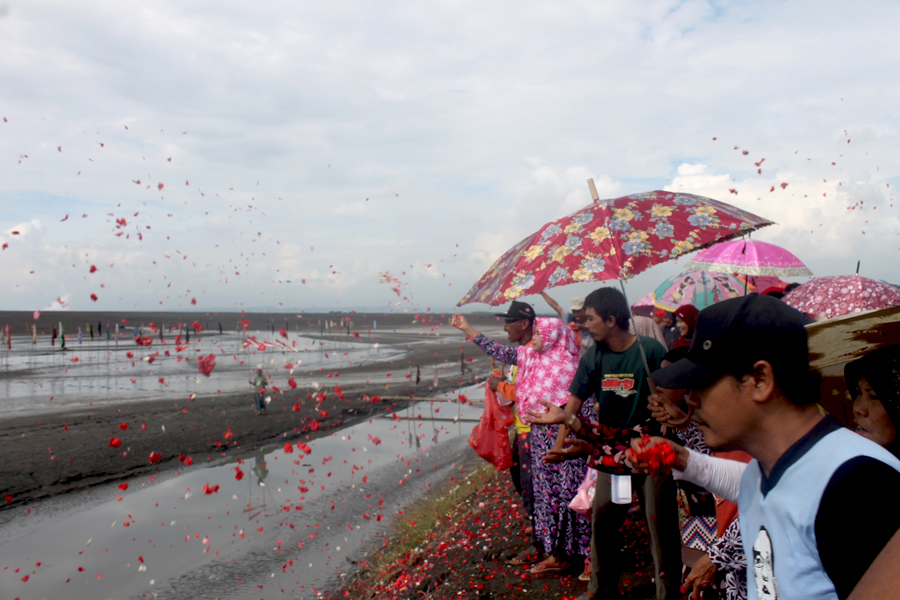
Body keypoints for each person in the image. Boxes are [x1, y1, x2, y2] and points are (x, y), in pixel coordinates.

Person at [645, 295, 900, 600]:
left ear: (760, 380)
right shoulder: (762, 469)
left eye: (703, 382)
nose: (692, 399)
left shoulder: (859, 483)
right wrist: (683, 459)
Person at [530, 287, 680, 600]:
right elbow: (572, 403)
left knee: (659, 524)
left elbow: (673, 399)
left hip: (649, 449)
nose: (583, 325)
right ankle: (602, 589)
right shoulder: (594, 356)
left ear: (611, 320)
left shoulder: (649, 351)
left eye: (590, 319)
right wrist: (560, 445)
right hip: (611, 452)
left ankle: (669, 592)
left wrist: (663, 402)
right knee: (605, 519)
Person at [452, 301, 540, 563]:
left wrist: (500, 386)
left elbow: (528, 394)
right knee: (522, 482)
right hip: (523, 431)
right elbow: (513, 390)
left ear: (524, 323)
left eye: (509, 320)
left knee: (532, 488)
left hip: (534, 433)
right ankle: (538, 526)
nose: (505, 325)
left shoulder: (533, 354)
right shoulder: (520, 354)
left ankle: (541, 543)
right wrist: (502, 386)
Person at [541, 292, 592, 357]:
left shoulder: (591, 321)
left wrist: (584, 327)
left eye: (579, 311)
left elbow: (597, 331)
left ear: (585, 310)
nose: (576, 315)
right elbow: (556, 306)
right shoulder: (570, 319)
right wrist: (542, 293)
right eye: (574, 311)